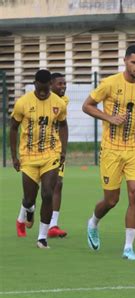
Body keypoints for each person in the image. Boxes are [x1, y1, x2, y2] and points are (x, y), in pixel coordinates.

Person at [82, 45, 135, 260]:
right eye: (134, 62)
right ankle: (93, 222)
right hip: (111, 149)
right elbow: (87, 106)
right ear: (125, 61)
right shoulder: (109, 84)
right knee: (111, 200)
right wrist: (109, 117)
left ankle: (128, 248)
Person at [11, 69, 68, 248]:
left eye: (46, 89)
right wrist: (14, 157)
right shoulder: (23, 103)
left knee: (48, 194)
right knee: (29, 199)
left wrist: (63, 151)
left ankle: (42, 238)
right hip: (28, 156)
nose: (43, 92)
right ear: (35, 84)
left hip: (50, 154)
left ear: (50, 85)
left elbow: (63, 125)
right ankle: (29, 210)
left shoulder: (58, 103)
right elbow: (13, 129)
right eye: (40, 88)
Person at [48, 72, 69, 238]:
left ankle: (53, 225)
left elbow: (63, 126)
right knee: (34, 189)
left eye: (64, 84)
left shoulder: (63, 102)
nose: (63, 87)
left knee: (58, 183)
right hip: (38, 150)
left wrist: (63, 149)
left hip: (56, 149)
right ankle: (25, 213)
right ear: (50, 85)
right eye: (59, 84)